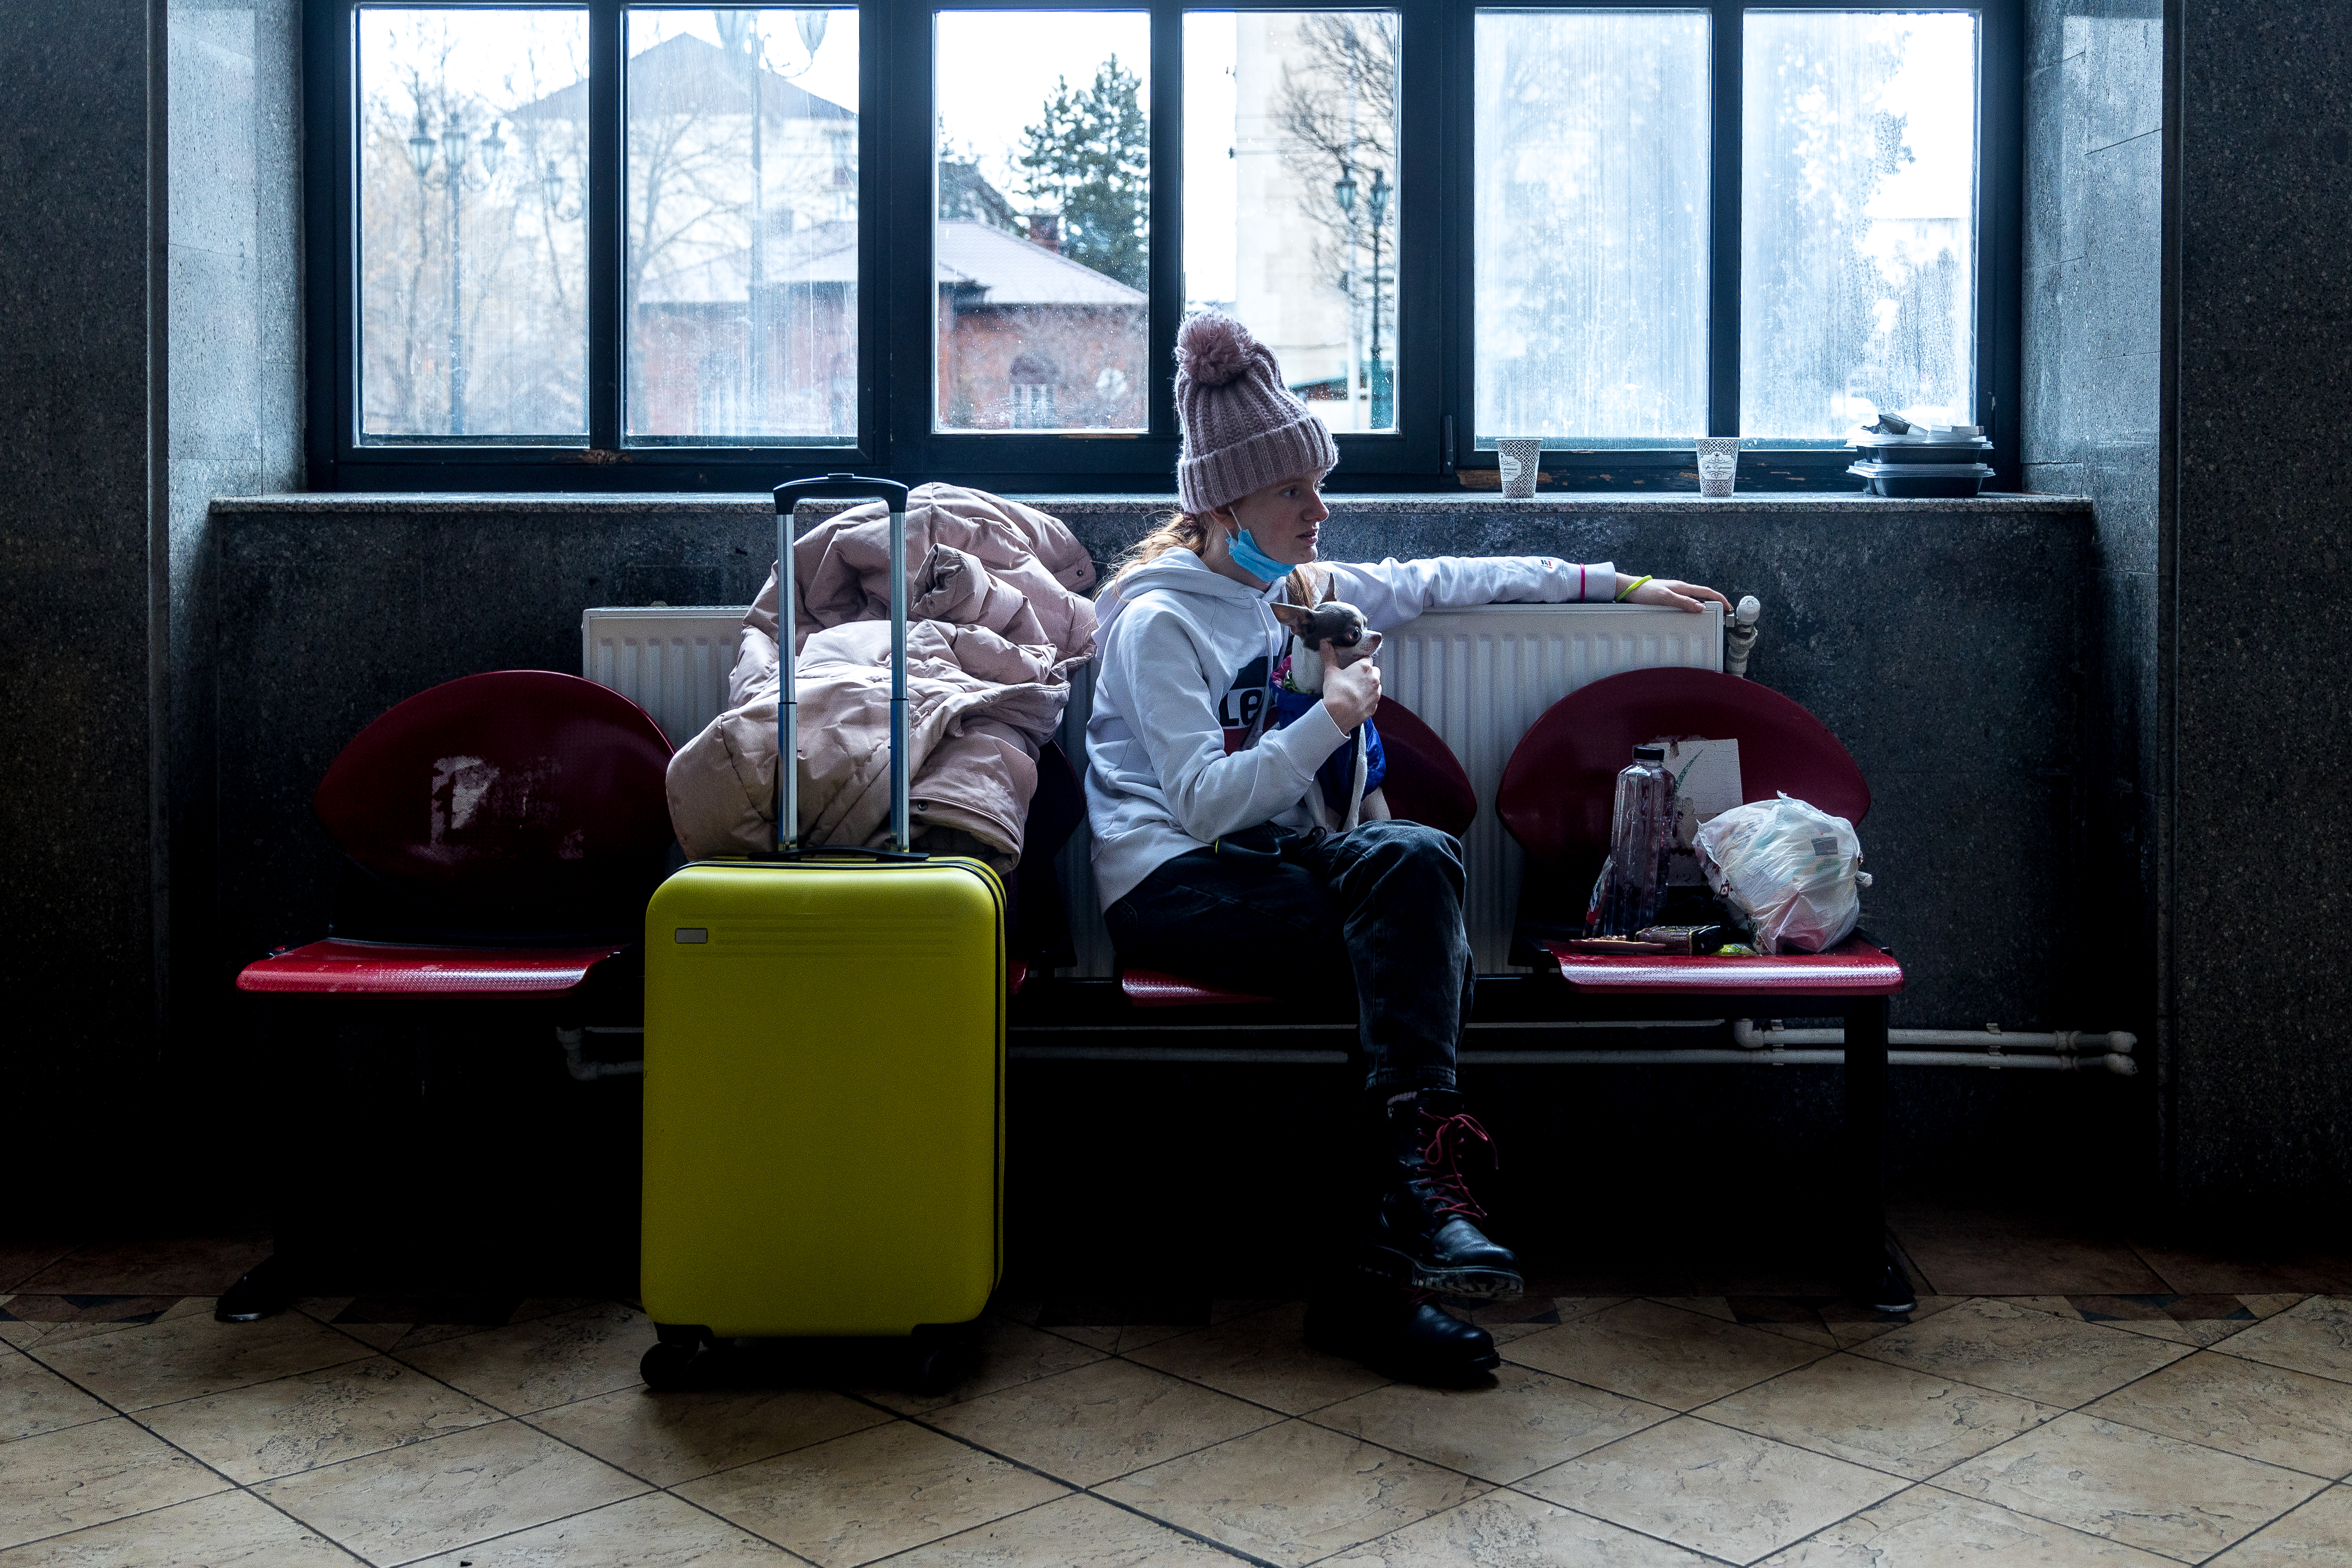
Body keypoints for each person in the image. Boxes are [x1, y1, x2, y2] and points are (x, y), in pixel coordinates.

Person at [1083, 312, 1729, 1382]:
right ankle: (1395, 1250)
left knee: (1419, 859)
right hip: (1177, 885)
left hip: (1284, 874)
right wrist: (1329, 718)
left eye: (1315, 486)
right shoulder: (1160, 624)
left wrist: (1615, 586)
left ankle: (1408, 1203)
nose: (1317, 510)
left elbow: (1444, 580)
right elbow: (1201, 808)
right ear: (1223, 501)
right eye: (1294, 490)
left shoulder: (1294, 596)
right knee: (1409, 972)